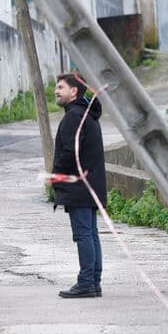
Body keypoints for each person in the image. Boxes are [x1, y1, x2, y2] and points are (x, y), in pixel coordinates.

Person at [51, 73, 106, 299]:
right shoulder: (86, 114)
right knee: (91, 234)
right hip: (90, 184)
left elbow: (68, 153)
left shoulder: (74, 116)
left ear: (74, 91)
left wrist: (57, 175)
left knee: (83, 234)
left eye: (61, 87)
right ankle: (93, 282)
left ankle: (86, 282)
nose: (56, 90)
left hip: (79, 185)